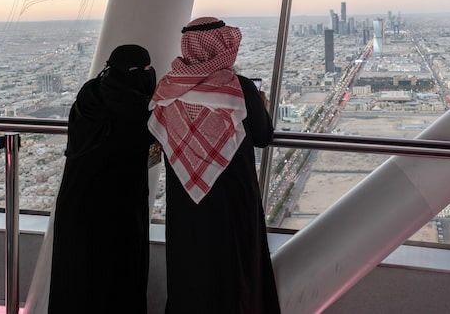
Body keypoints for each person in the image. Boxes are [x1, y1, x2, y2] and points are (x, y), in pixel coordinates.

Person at [149, 17, 281, 314]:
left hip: (187, 200)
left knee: (190, 267)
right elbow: (263, 136)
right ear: (221, 46)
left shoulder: (168, 89)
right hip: (234, 200)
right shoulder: (240, 89)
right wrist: (265, 107)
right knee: (235, 269)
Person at [48, 44, 157, 314]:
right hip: (116, 214)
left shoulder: (89, 93)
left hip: (75, 206)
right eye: (146, 70)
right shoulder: (139, 110)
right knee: (114, 285)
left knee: (76, 282)